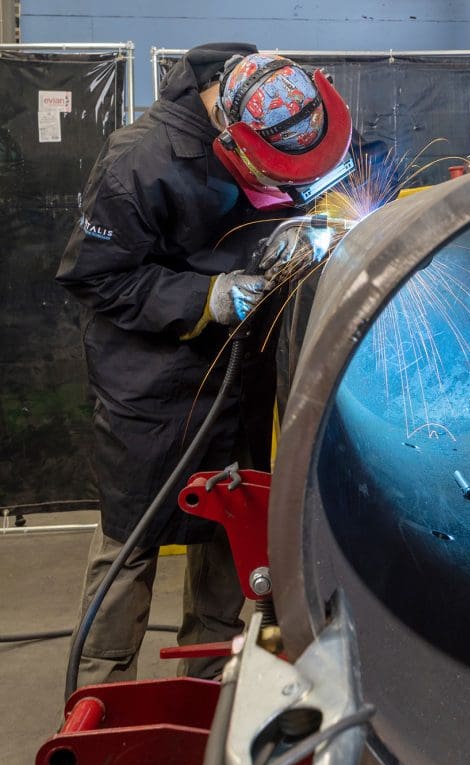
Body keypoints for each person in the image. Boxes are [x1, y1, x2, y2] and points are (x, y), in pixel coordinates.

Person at [56, 43, 353, 686]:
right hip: (152, 385)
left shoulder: (282, 98)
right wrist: (205, 297)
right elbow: (95, 278)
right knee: (130, 542)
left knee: (230, 532)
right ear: (234, 141)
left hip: (241, 376)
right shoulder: (139, 161)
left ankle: (205, 688)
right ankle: (101, 702)